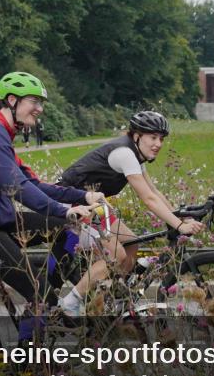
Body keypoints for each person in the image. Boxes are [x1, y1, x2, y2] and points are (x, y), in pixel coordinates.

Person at [0, 72, 120, 318]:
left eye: (41, 103)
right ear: (12, 100)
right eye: (34, 101)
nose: (40, 109)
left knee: (66, 229)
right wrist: (64, 210)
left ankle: (58, 286)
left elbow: (34, 183)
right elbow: (17, 187)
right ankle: (34, 330)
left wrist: (84, 197)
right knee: (40, 293)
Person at [56, 111, 205, 278]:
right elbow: (148, 199)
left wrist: (180, 217)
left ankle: (117, 290)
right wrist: (179, 226)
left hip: (92, 205)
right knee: (115, 255)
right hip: (69, 202)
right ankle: (75, 295)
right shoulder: (125, 154)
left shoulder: (136, 155)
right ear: (136, 136)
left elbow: (153, 191)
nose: (158, 144)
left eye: (161, 139)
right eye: (153, 137)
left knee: (131, 244)